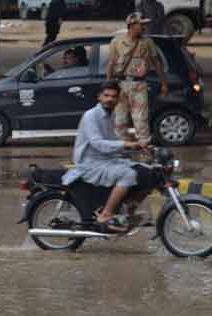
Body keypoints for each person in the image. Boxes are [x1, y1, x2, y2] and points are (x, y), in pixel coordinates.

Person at [62, 81, 151, 231]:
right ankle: (106, 214)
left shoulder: (110, 115)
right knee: (128, 174)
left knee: (147, 172)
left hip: (105, 160)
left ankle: (128, 211)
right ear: (99, 97)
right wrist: (126, 144)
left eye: (114, 96)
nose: (110, 99)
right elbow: (98, 144)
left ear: (118, 99)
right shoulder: (91, 115)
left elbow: (112, 140)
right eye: (106, 95)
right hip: (90, 164)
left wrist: (136, 145)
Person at [106, 12, 169, 144]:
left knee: (141, 120)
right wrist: (108, 84)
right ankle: (121, 149)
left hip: (139, 85)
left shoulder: (147, 42)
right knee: (119, 121)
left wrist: (164, 83)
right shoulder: (117, 42)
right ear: (132, 25)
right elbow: (111, 63)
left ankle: (145, 148)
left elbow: (156, 62)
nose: (144, 27)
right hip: (120, 84)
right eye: (142, 24)